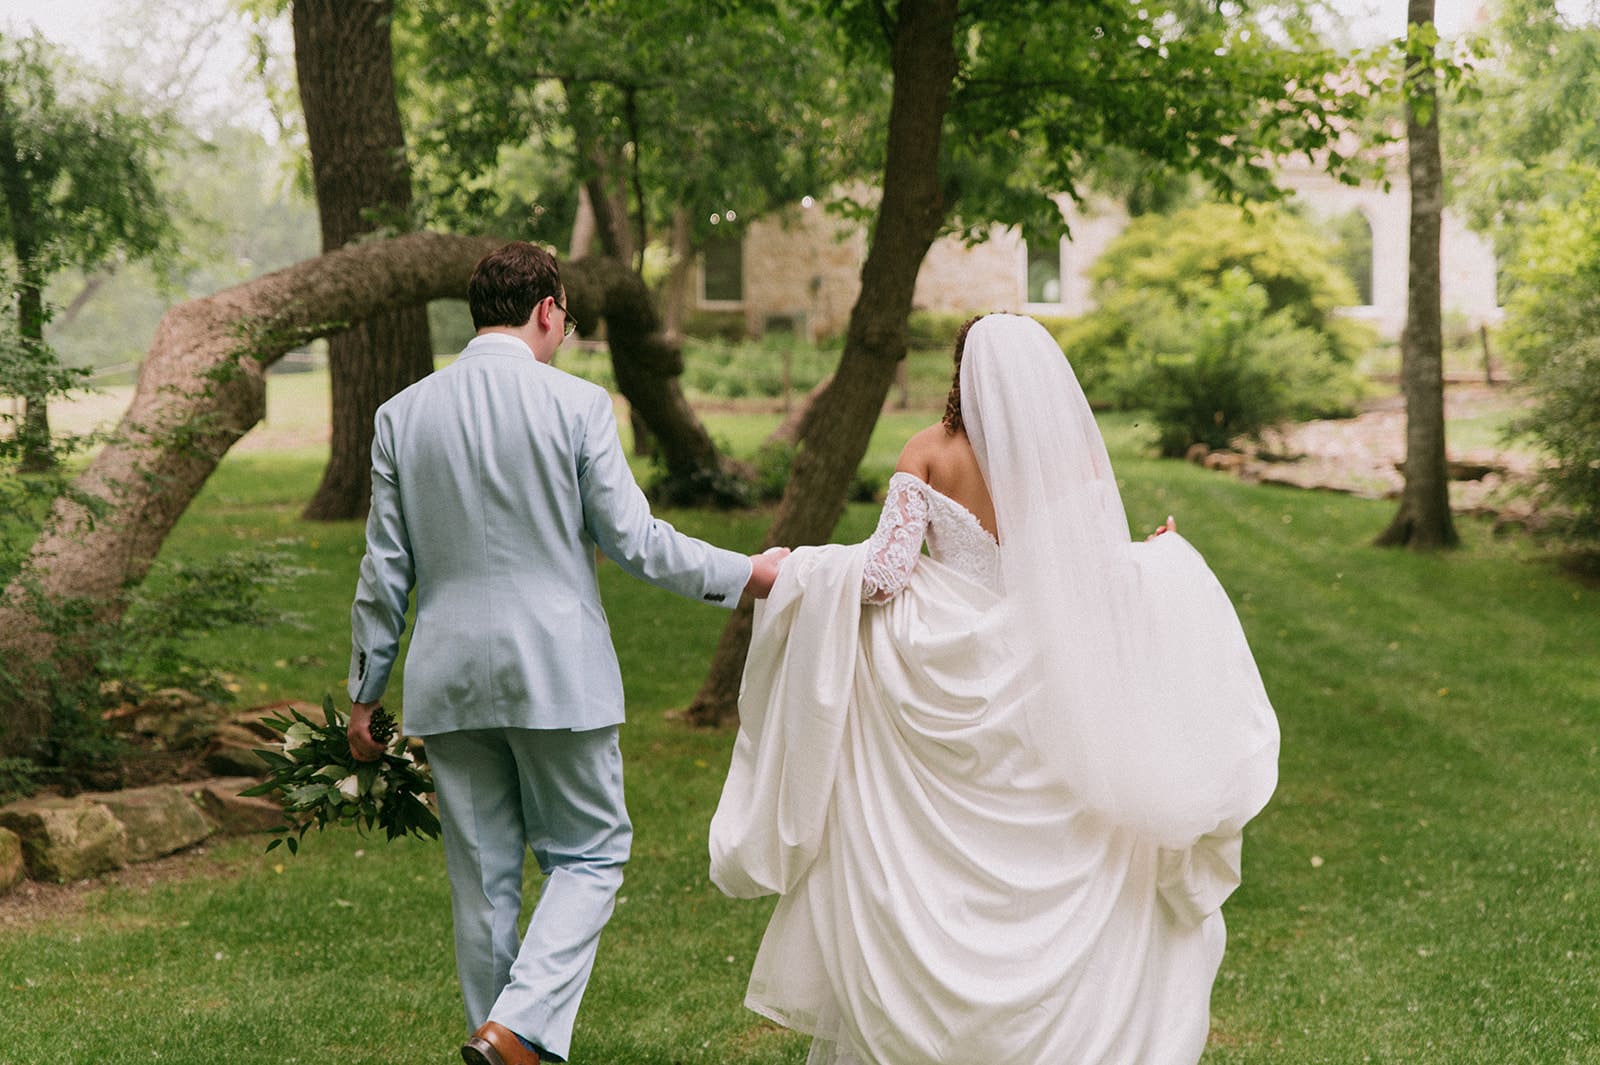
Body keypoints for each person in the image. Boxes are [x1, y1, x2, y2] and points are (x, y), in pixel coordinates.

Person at [709, 313, 1279, 1065]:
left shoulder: (930, 452)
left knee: (926, 856)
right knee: (1059, 827)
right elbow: (1093, 566)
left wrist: (809, 569)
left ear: (960, 372)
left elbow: (881, 576)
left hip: (939, 679)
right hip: (1041, 671)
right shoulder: (1067, 456)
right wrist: (1158, 557)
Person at [345, 241, 786, 1065]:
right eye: (567, 322)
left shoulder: (401, 414)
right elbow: (640, 543)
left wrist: (365, 689)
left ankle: (500, 1042)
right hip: (557, 672)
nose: (566, 337)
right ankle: (516, 1032)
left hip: (447, 679)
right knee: (590, 854)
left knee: (483, 888)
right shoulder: (578, 406)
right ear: (547, 309)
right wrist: (749, 574)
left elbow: (385, 567)